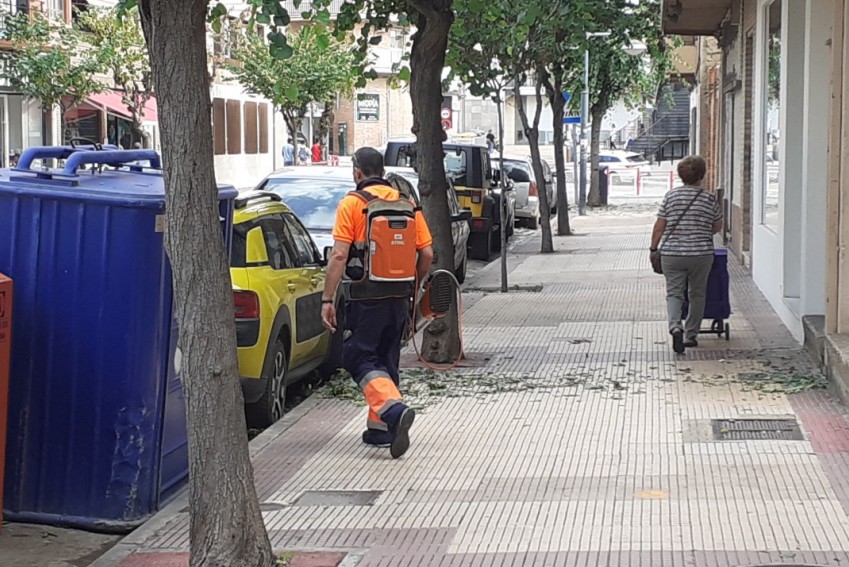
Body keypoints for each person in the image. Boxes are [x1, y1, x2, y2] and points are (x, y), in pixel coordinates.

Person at [321, 147, 434, 458]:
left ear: (357, 172)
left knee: (357, 357)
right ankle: (380, 429)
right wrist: (413, 284)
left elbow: (340, 255)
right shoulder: (408, 203)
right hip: (399, 296)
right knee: (386, 358)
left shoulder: (352, 204)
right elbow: (427, 254)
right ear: (382, 171)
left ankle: (393, 412)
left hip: (364, 296)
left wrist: (327, 298)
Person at [650, 155, 723, 354]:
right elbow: (717, 226)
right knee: (697, 293)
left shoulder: (671, 196)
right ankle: (691, 334)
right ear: (702, 175)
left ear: (681, 176)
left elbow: (659, 227)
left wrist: (653, 248)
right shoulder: (709, 198)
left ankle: (675, 326)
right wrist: (700, 232)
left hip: (672, 254)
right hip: (701, 254)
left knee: (674, 293)